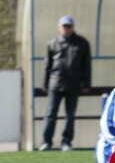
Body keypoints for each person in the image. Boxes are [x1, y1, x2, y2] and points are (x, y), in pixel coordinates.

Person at [39, 16, 91, 152]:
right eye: (64, 26)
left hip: (74, 84)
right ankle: (46, 142)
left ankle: (66, 142)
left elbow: (86, 65)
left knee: (70, 115)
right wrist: (44, 83)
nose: (66, 29)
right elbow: (47, 65)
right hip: (55, 84)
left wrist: (86, 83)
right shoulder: (52, 43)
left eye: (69, 26)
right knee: (50, 113)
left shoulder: (82, 43)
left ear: (73, 27)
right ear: (59, 27)